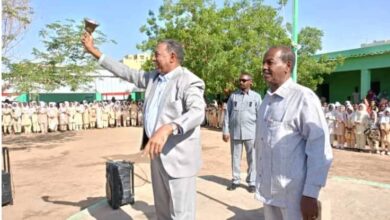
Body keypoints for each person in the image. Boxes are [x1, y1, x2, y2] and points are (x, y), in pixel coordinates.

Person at [82, 34, 205, 219]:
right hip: (157, 156)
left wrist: (169, 127)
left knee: (181, 214)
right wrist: (95, 52)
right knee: (162, 212)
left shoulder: (188, 81)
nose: (153, 58)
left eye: (157, 54)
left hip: (179, 159)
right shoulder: (153, 78)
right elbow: (125, 72)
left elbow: (197, 112)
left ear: (172, 56)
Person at [255, 46, 333, 220]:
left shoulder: (303, 97)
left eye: (270, 62)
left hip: (294, 197)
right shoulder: (266, 101)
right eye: (263, 63)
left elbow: (319, 149)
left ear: (287, 66)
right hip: (269, 192)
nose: (264, 67)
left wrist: (310, 194)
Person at [222, 72, 261, 193]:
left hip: (251, 133)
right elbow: (227, 114)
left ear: (251, 82)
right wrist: (225, 131)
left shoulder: (256, 97)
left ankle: (252, 182)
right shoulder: (233, 96)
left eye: (244, 80)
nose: (241, 82)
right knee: (235, 157)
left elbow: (261, 117)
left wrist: (260, 135)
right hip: (235, 133)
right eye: (240, 80)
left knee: (252, 158)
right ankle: (235, 180)